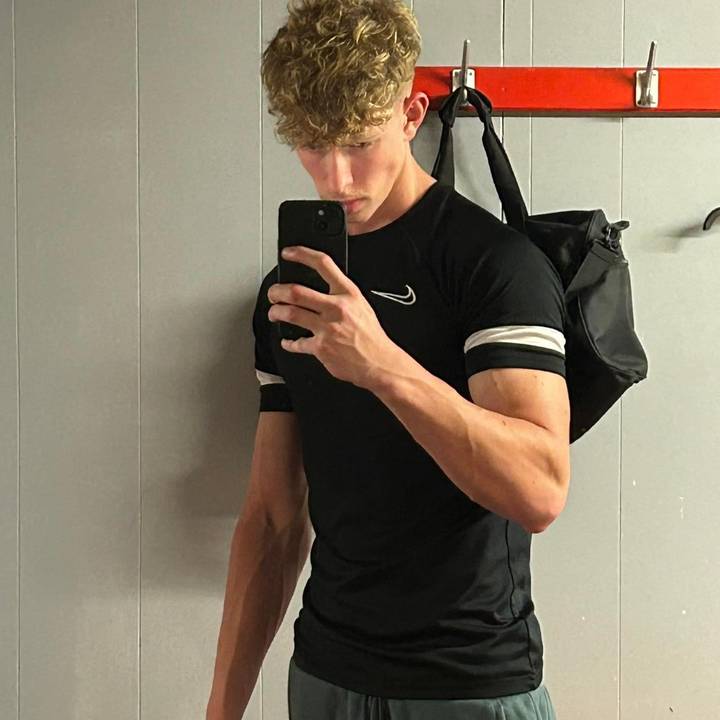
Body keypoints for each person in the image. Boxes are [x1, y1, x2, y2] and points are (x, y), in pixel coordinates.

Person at [207, 1, 570, 718]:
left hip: (469, 683)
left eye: (358, 142)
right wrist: (221, 711)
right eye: (314, 146)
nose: (338, 178)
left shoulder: (495, 265)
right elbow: (273, 519)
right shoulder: (291, 290)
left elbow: (539, 492)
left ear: (411, 114)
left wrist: (381, 366)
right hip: (325, 675)